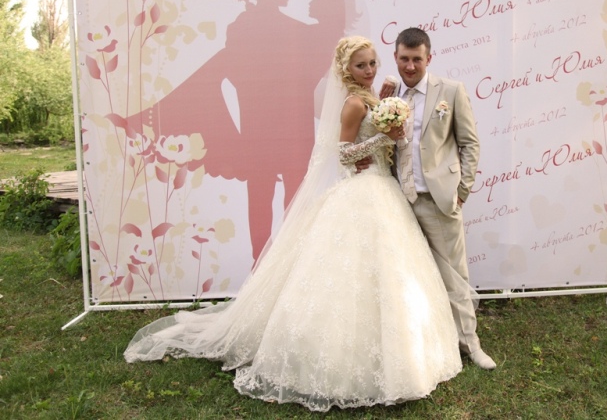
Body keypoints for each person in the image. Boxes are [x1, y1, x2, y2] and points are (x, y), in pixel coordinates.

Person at [124, 36, 463, 412]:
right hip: (364, 190)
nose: (368, 70)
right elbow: (343, 154)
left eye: (372, 63)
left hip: (384, 189)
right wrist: (382, 135)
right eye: (360, 65)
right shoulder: (353, 103)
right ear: (345, 70)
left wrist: (386, 119)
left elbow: (380, 142)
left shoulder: (371, 98)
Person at [128, 0, 360, 263]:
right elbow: (320, 48)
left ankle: (259, 262)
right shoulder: (295, 31)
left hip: (258, 128)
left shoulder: (242, 27)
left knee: (260, 195)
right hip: (290, 130)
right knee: (292, 196)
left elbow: (238, 73)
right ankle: (290, 261)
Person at [386, 27, 496, 370]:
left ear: (428, 58)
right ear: (395, 57)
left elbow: (469, 143)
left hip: (437, 199)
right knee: (407, 275)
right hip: (397, 201)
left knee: (454, 276)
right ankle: (421, 343)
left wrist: (461, 191)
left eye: (416, 59)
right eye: (404, 58)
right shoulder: (388, 96)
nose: (410, 66)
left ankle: (470, 344)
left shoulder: (450, 90)